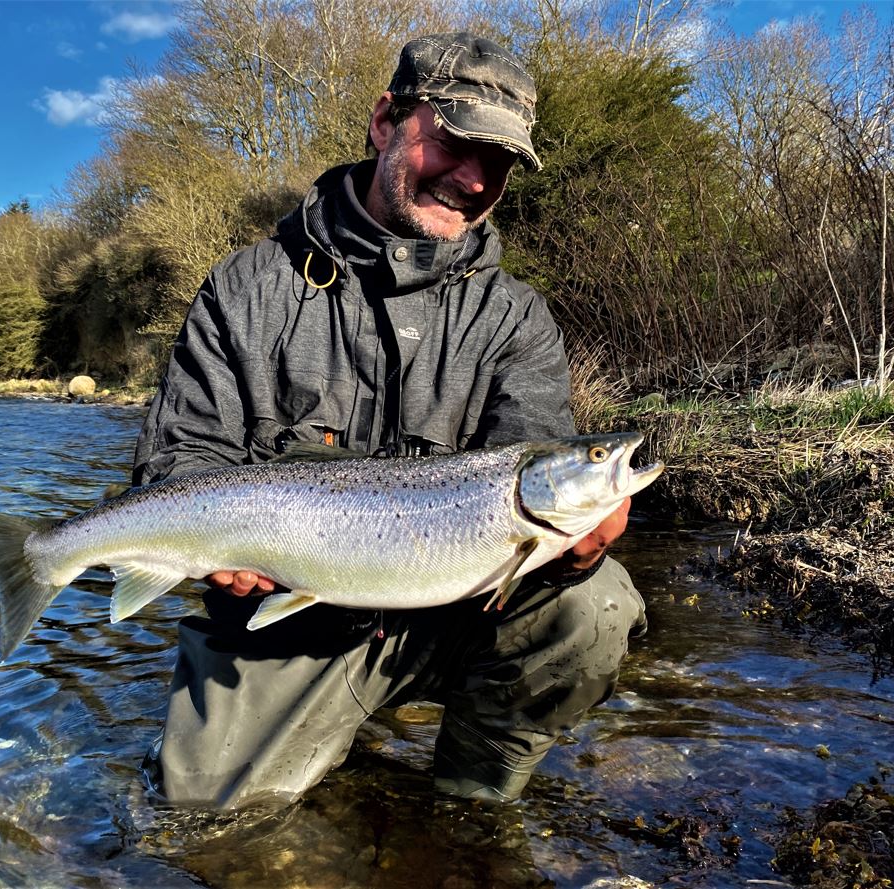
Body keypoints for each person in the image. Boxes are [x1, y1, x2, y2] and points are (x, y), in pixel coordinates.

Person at [131, 31, 646, 810]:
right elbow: (181, 458)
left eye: (499, 162)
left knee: (595, 605)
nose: (473, 178)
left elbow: (527, 456)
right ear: (385, 122)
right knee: (203, 822)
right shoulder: (247, 288)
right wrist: (217, 548)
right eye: (454, 142)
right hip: (283, 621)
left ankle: (470, 807)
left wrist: (572, 553)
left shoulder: (515, 319)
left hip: (457, 614)